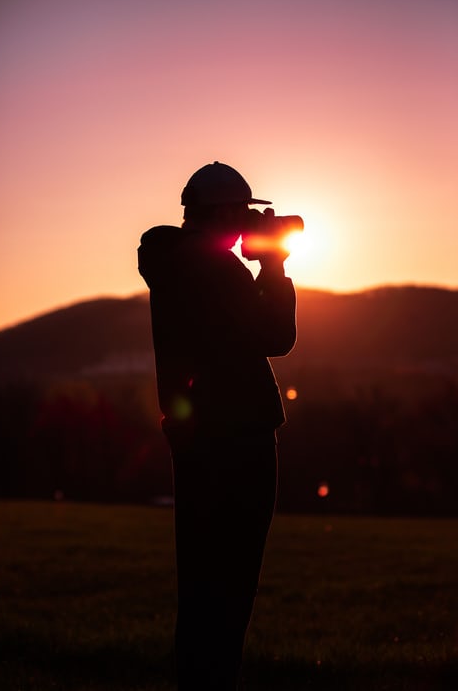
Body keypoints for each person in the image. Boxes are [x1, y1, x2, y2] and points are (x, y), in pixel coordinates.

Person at [138, 161, 297, 690]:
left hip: (199, 439)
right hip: (238, 440)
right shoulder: (214, 269)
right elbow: (275, 335)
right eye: (243, 213)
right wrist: (272, 265)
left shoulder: (175, 264)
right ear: (225, 213)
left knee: (202, 588)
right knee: (230, 589)